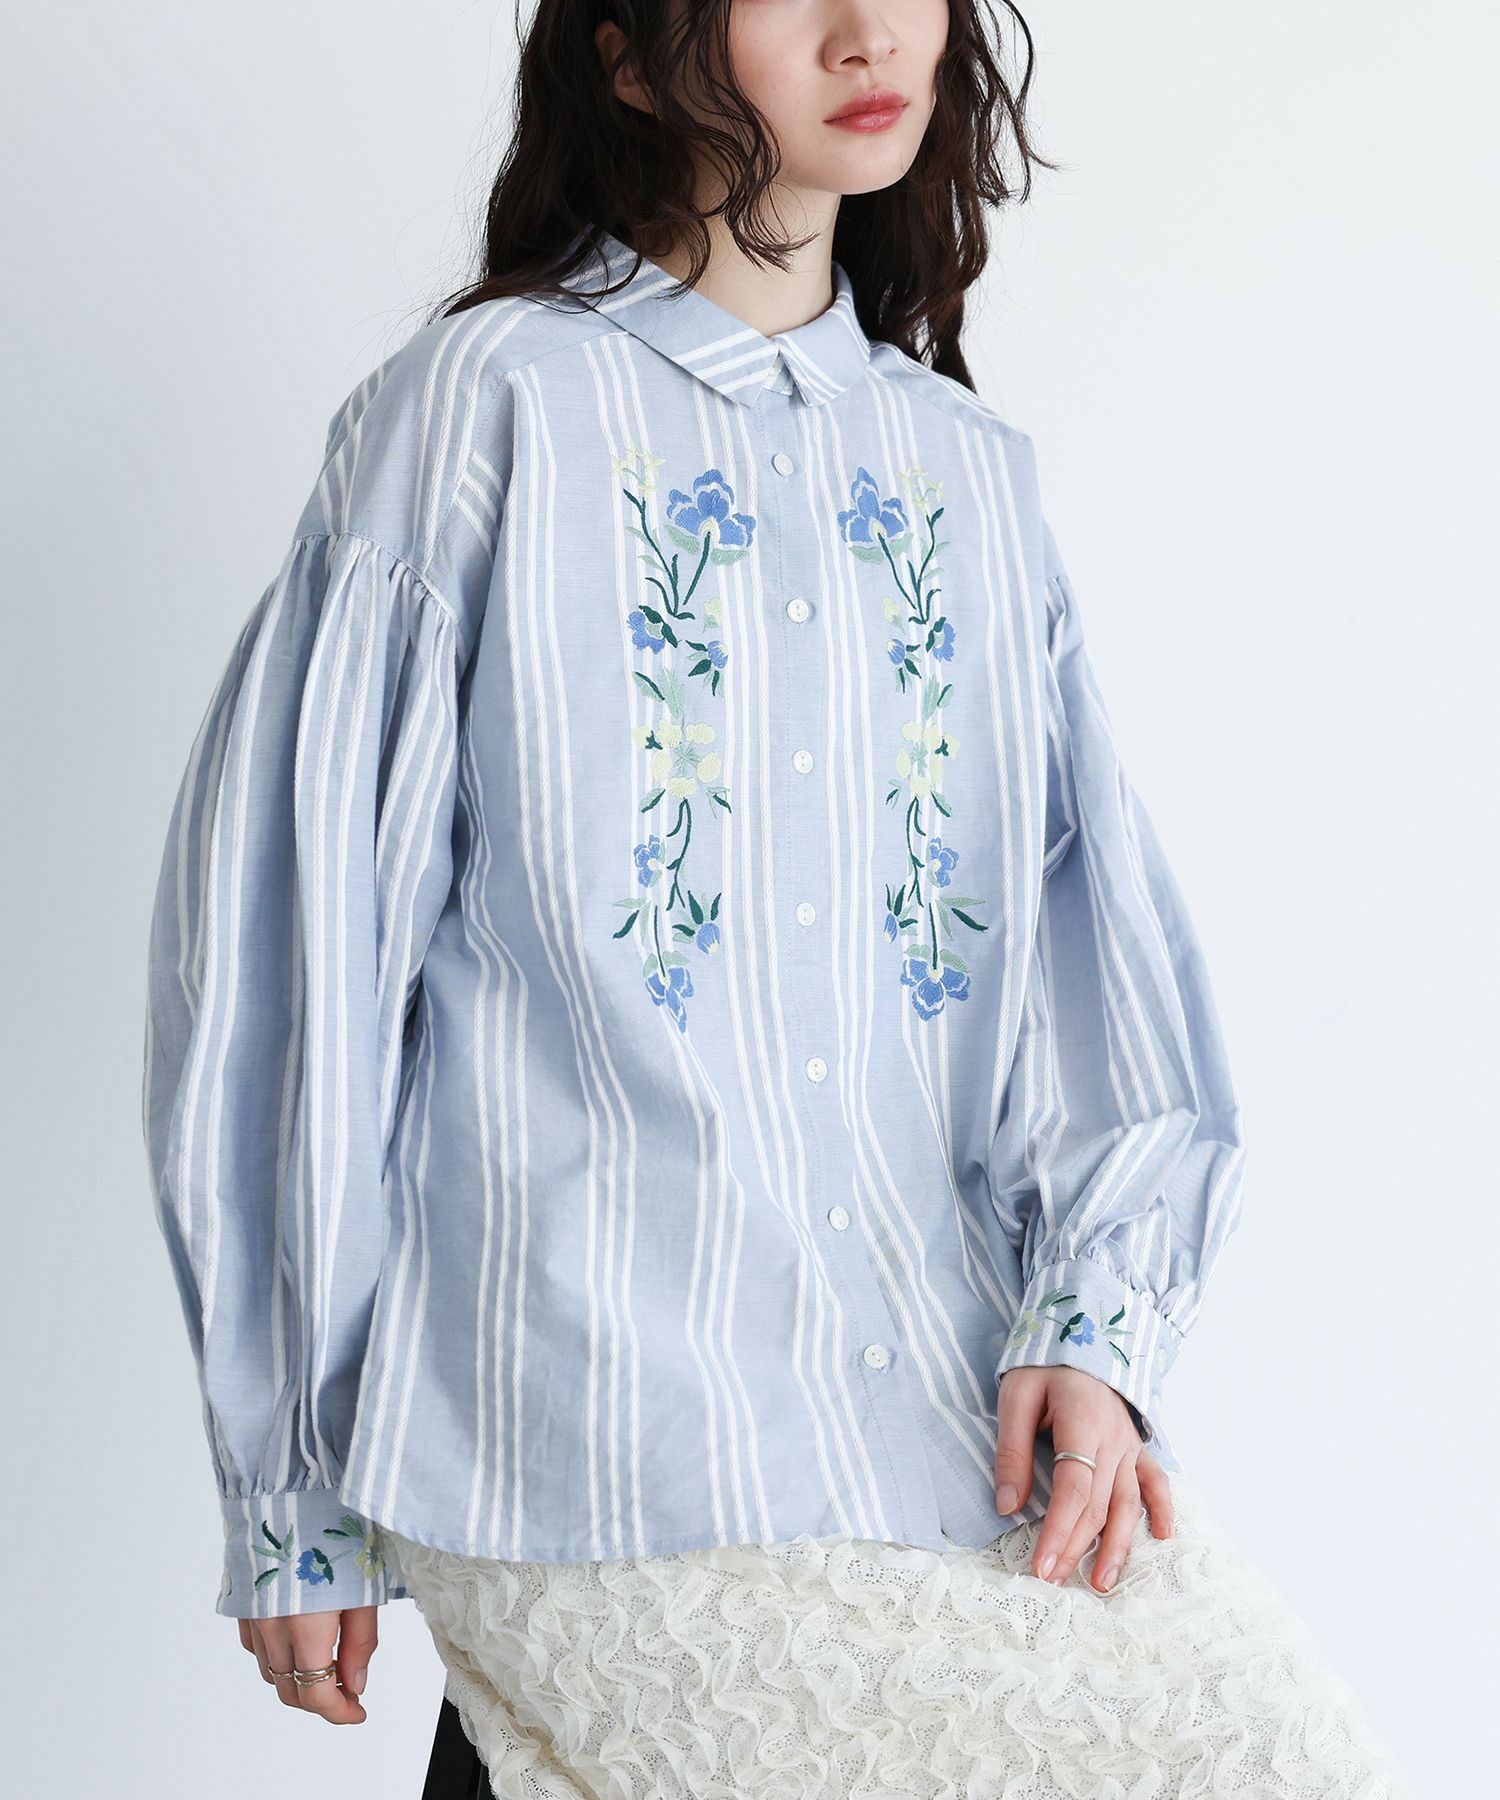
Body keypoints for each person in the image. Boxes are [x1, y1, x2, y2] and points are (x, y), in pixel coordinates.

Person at [140, 1, 1411, 1793]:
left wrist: (1096, 1332)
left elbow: (1100, 973)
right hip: (584, 1443)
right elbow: (293, 978)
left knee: (1270, 1743)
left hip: (943, 1433)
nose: (866, 29)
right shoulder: (485, 411)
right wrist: (290, 1493)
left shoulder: (970, 478)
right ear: (629, 53)